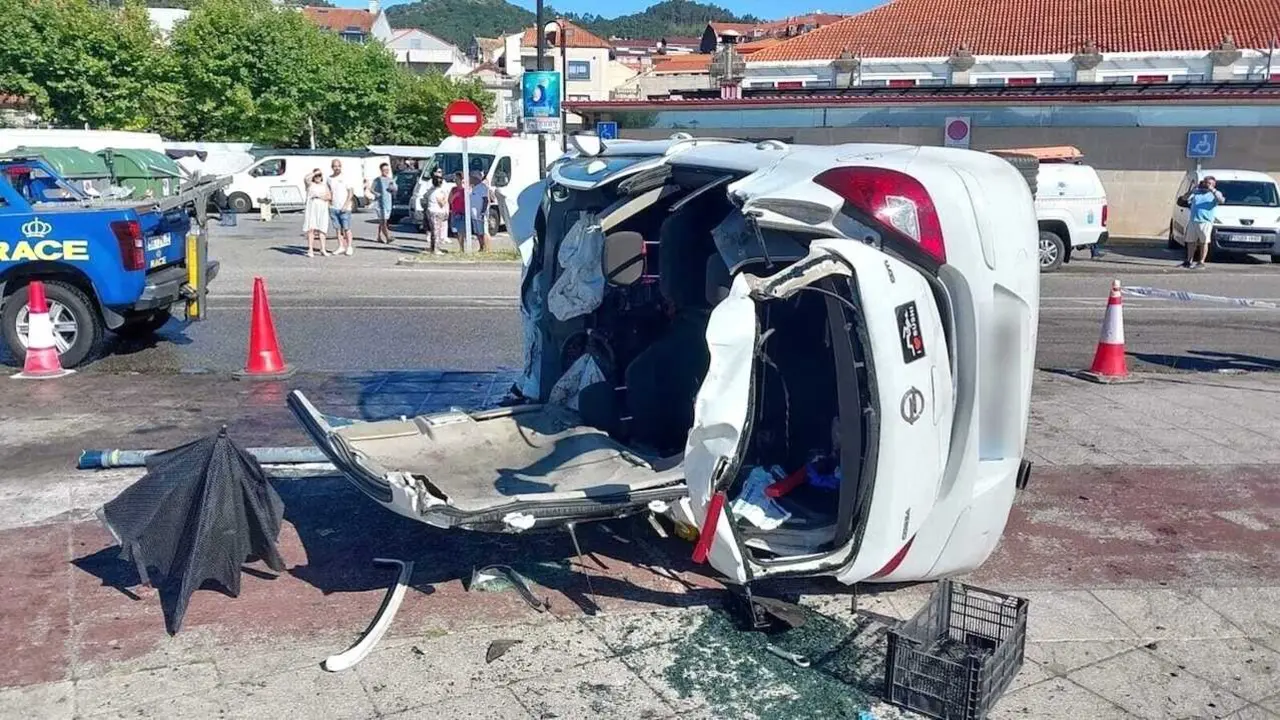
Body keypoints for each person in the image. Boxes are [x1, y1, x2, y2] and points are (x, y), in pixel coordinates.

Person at [1180, 176, 1224, 269]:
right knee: (1191, 241)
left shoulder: (1214, 194)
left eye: (1208, 183)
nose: (1206, 185)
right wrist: (1192, 190)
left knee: (1204, 242)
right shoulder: (1197, 193)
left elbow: (1221, 200)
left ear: (1213, 184)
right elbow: (1184, 198)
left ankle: (1201, 262)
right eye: (1205, 182)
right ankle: (1189, 260)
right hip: (1193, 220)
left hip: (1205, 221)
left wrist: (1212, 190)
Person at [327, 159, 355, 256]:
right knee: (338, 229)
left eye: (338, 166)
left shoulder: (345, 177)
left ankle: (349, 246)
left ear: (341, 166)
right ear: (332, 167)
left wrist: (346, 204)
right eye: (335, 166)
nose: (337, 168)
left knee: (347, 228)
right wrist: (329, 204)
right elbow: (329, 191)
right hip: (334, 207)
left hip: (345, 208)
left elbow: (351, 192)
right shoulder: (329, 179)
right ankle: (341, 246)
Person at [303, 169, 331, 257]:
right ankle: (310, 249)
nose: (318, 177)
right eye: (316, 176)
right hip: (312, 208)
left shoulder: (324, 185)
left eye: (319, 175)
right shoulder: (310, 185)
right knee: (311, 228)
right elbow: (306, 178)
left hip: (322, 208)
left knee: (322, 228)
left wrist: (321, 197)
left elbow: (329, 196)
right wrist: (315, 173)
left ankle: (323, 248)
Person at [423, 168, 449, 254]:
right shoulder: (439, 191)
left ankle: (432, 247)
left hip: (430, 211)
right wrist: (446, 197)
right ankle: (435, 249)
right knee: (436, 231)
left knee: (434, 231)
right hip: (437, 212)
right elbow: (441, 203)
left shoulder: (430, 190)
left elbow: (424, 198)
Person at [371, 163, 397, 245]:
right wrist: (376, 194)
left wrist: (392, 188)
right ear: (381, 170)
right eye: (384, 170)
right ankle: (388, 237)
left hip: (388, 203)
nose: (386, 171)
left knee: (382, 221)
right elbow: (371, 189)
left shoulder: (390, 180)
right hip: (380, 204)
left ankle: (379, 236)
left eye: (387, 170)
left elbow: (395, 190)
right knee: (383, 221)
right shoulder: (378, 179)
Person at [469, 169, 491, 252]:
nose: (469, 179)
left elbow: (486, 200)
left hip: (481, 214)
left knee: (484, 232)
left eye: (471, 177)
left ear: (475, 178)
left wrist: (483, 212)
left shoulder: (482, 187)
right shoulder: (472, 187)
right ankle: (481, 247)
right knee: (478, 232)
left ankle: (487, 249)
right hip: (474, 214)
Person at [448, 170, 467, 240]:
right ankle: (461, 245)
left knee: (461, 231)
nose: (455, 181)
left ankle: (462, 247)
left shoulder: (465, 190)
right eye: (455, 179)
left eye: (457, 179)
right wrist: (455, 195)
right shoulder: (453, 189)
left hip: (463, 213)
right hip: (455, 212)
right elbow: (449, 200)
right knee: (455, 230)